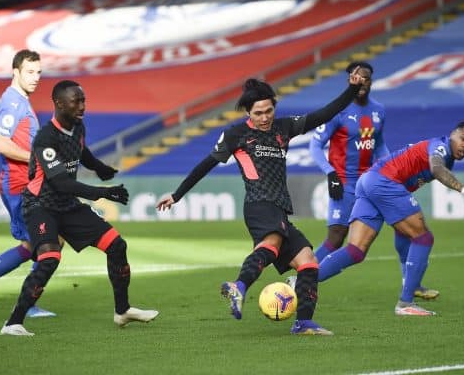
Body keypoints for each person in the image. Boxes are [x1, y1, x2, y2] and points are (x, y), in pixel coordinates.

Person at [156, 69, 366, 335]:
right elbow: (206, 164)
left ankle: (303, 323)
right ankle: (239, 286)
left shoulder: (284, 128)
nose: (265, 117)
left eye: (269, 111)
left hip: (278, 206)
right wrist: (177, 195)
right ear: (247, 113)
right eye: (258, 113)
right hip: (258, 202)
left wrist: (350, 90)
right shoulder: (236, 134)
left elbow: (324, 113)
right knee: (272, 244)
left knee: (308, 261)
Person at [0, 80, 158, 336]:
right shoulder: (45, 139)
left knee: (116, 245)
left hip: (66, 204)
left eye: (84, 101)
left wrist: (100, 168)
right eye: (77, 101)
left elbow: (82, 152)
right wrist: (102, 193)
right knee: (50, 258)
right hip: (41, 205)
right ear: (59, 103)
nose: (83, 106)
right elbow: (61, 182)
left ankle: (122, 311)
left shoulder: (77, 126)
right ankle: (13, 323)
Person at [317, 122, 464, 316]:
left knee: (356, 250)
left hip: (369, 180)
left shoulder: (445, 154)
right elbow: (437, 169)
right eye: (463, 139)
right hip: (385, 182)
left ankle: (304, 280)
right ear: (452, 135)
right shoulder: (440, 147)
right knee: (423, 238)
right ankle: (406, 303)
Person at [305, 61, 438, 301]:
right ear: (349, 81)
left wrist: (393, 169)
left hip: (373, 183)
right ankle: (303, 279)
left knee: (405, 229)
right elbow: (315, 145)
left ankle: (413, 284)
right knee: (336, 237)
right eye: (356, 77)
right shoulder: (337, 111)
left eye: (366, 77)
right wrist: (329, 172)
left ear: (371, 80)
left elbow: (378, 145)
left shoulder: (378, 111)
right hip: (344, 182)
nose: (362, 81)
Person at [0, 49, 55, 317]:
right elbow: (1, 144)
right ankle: (27, 306)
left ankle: (28, 303)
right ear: (15, 72)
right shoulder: (13, 103)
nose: (36, 77)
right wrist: (36, 160)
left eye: (39, 72)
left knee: (40, 244)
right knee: (43, 243)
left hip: (25, 184)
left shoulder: (19, 100)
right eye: (29, 72)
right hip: (19, 185)